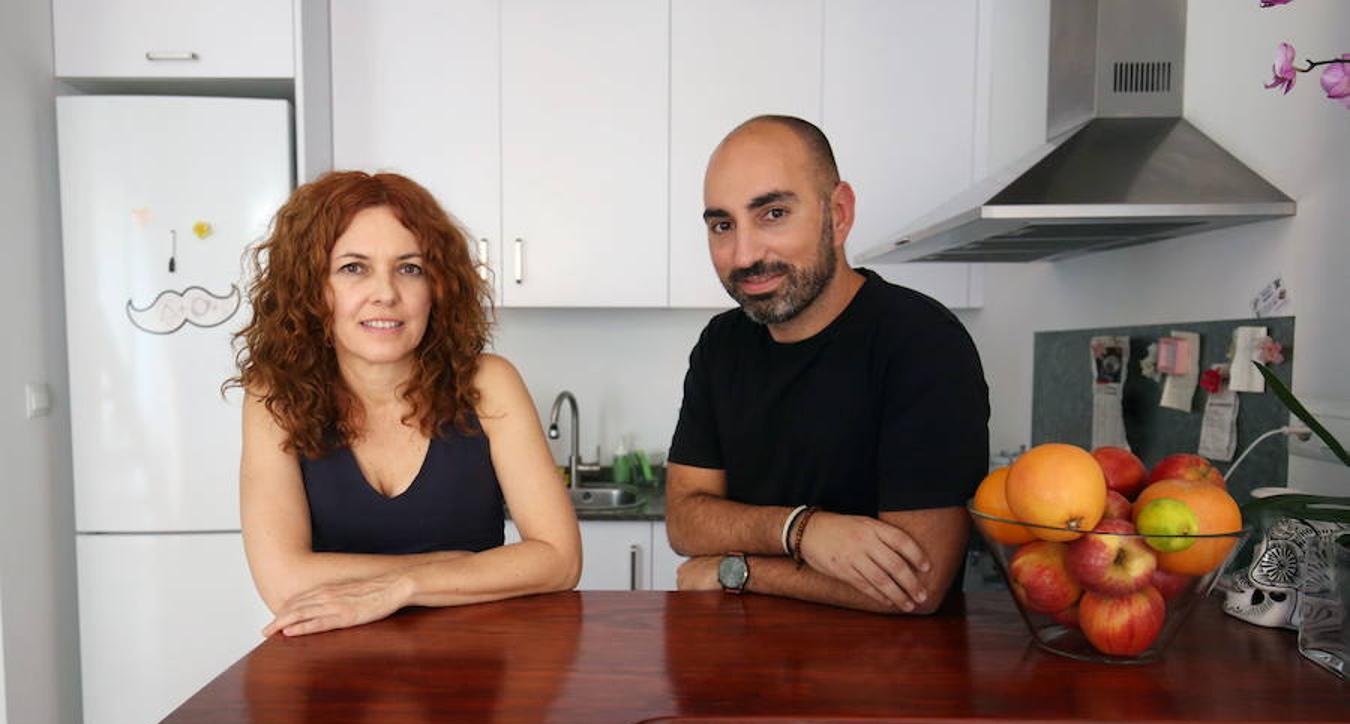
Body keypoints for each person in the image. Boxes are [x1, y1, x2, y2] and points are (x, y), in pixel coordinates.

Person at [231, 171, 580, 638]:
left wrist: (403, 585)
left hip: (477, 668)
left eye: (409, 267)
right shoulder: (273, 396)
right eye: (353, 267)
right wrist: (456, 567)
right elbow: (283, 582)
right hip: (333, 675)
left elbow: (559, 559)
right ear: (313, 288)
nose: (386, 294)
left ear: (438, 286)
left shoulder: (489, 383)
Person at [665, 116, 989, 615]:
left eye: (773, 213)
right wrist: (803, 530)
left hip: (890, 678)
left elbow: (918, 582)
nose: (745, 254)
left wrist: (740, 570)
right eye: (723, 225)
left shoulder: (921, 342)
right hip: (740, 672)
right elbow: (685, 519)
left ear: (837, 214)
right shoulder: (721, 345)